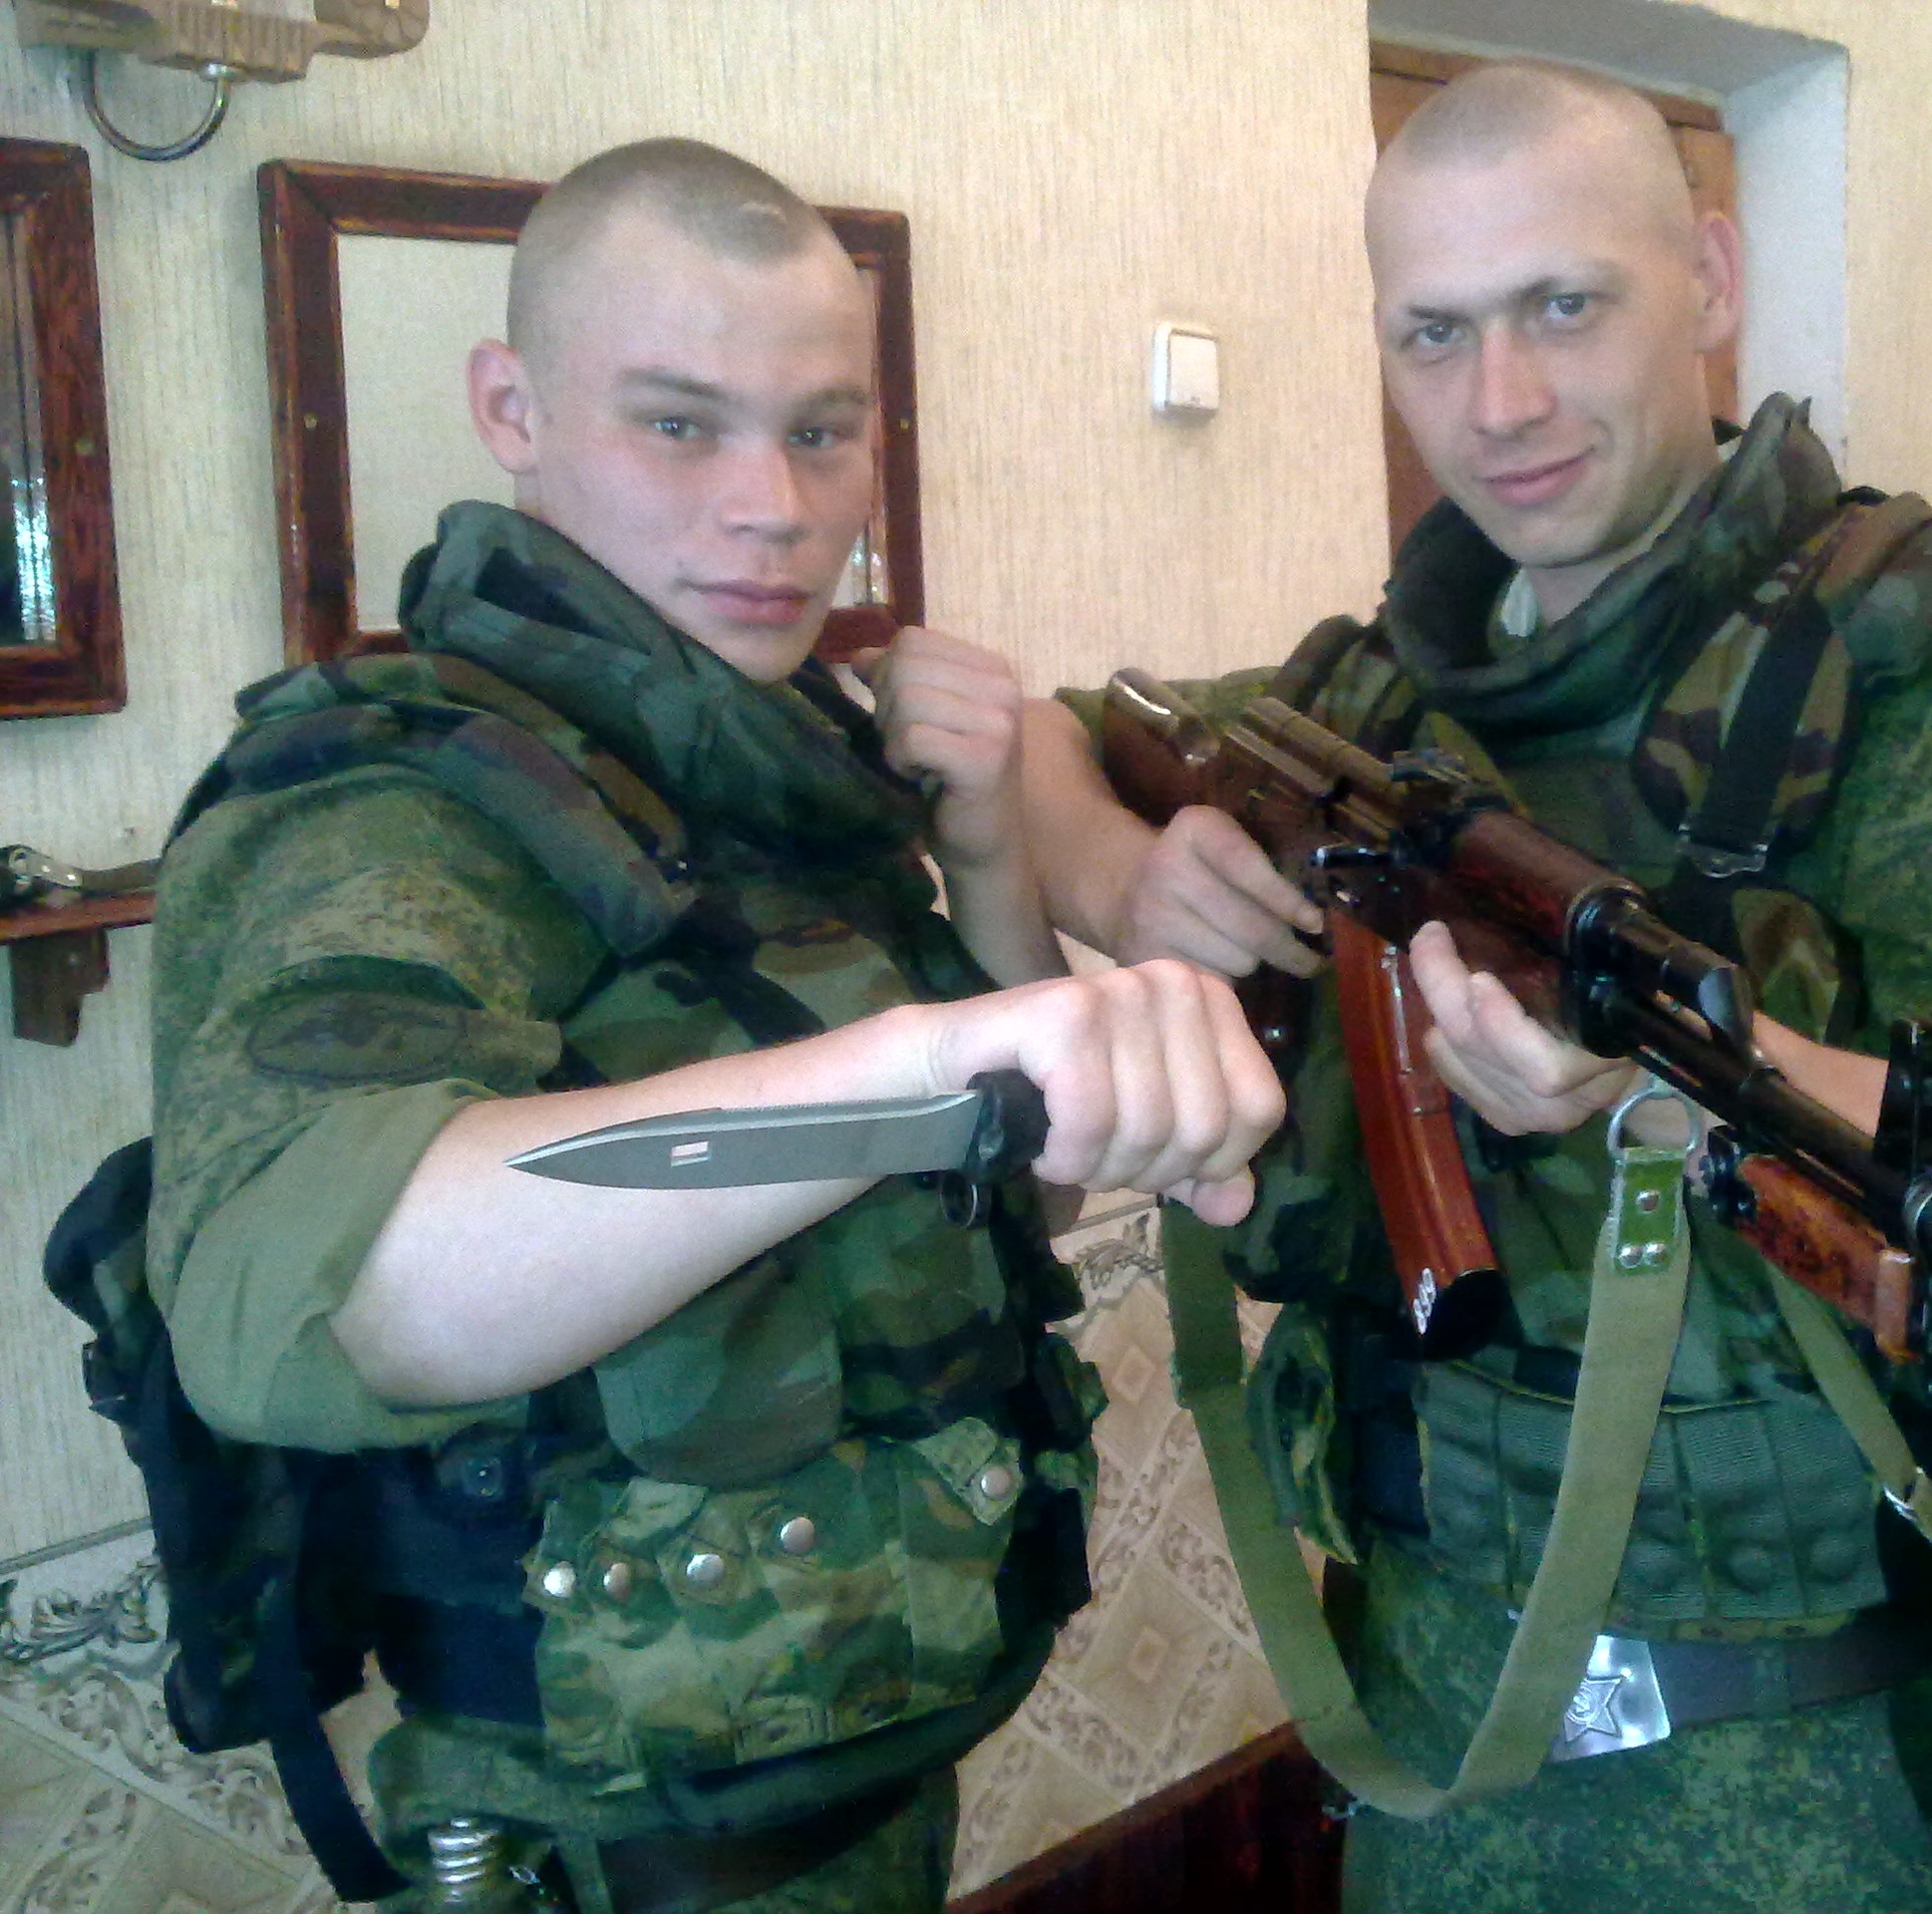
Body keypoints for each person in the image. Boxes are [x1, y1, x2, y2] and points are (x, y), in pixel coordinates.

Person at [1018, 62, 1932, 1914]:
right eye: (1435, 333)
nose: (1500, 403)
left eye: (1565, 305)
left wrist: (1666, 1079)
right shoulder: (1376, 698)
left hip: (1828, 1781)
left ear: (1710, 281)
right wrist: (1117, 874)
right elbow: (1052, 737)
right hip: (1438, 1736)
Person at [146, 139, 1282, 1911]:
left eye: (821, 432)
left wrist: (991, 867)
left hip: (863, 1788)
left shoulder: (775, 754)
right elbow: (294, 1285)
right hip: (611, 1855)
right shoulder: (395, 803)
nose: (773, 506)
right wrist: (920, 1067)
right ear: (511, 409)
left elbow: (995, 1202)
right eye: (681, 424)